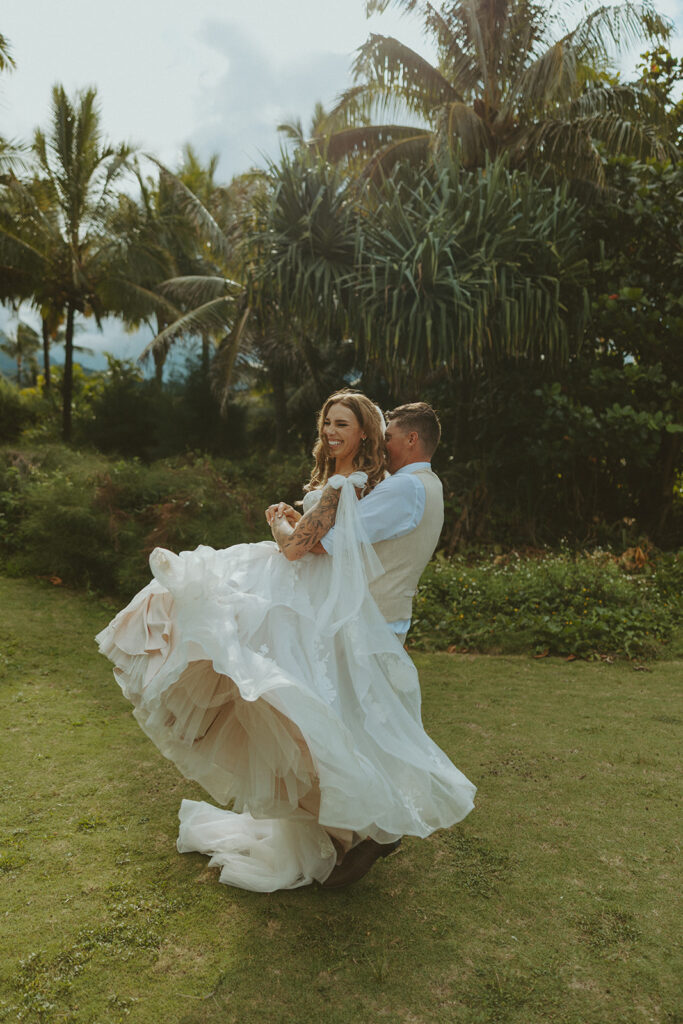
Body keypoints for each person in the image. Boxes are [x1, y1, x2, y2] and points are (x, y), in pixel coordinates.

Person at [96, 391, 475, 893]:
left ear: (404, 438)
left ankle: (371, 823)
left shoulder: (395, 489)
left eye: (373, 432)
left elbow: (311, 549)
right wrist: (305, 523)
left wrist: (281, 522)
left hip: (348, 616)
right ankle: (354, 829)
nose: (371, 442)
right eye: (329, 424)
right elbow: (335, 541)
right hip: (351, 612)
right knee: (316, 719)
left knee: (296, 711)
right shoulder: (410, 485)